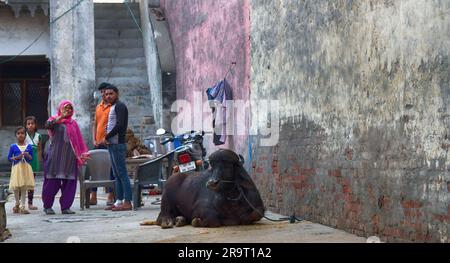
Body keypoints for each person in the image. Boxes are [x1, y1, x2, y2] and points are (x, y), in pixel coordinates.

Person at [42, 100, 89, 215]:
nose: (68, 110)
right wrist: (60, 117)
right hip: (55, 157)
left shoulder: (73, 123)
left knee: (70, 183)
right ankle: (47, 206)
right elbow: (47, 125)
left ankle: (66, 207)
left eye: (70, 108)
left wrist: (83, 153)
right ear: (60, 108)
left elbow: (79, 140)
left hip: (70, 158)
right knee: (52, 182)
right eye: (65, 108)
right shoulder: (54, 120)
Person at [102, 85, 132, 211]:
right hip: (112, 144)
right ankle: (119, 201)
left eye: (111, 94)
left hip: (118, 144)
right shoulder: (113, 107)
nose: (108, 96)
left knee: (122, 174)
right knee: (116, 174)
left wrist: (107, 136)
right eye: (106, 94)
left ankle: (128, 202)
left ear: (117, 94)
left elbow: (120, 125)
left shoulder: (120, 106)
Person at [90, 82, 115, 206]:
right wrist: (94, 139)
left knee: (110, 169)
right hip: (98, 142)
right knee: (94, 167)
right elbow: (95, 124)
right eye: (102, 92)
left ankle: (110, 194)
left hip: (109, 142)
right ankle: (93, 195)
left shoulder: (113, 107)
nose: (104, 94)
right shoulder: (99, 107)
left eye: (105, 91)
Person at [8, 126, 35, 214]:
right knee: (16, 187)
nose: (20, 135)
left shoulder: (29, 147)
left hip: (26, 168)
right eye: (18, 133)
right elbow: (9, 158)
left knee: (24, 187)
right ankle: (17, 204)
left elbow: (31, 159)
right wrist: (17, 157)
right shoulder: (13, 146)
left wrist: (27, 155)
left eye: (22, 133)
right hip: (17, 168)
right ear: (16, 135)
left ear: (25, 135)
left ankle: (23, 206)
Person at [24, 116, 42, 210]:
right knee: (22, 182)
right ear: (26, 125)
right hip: (25, 161)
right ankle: (19, 203)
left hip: (34, 162)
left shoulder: (38, 136)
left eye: (32, 123)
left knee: (31, 183)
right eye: (28, 124)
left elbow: (39, 150)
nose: (30, 125)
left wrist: (38, 161)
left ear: (35, 125)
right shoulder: (23, 135)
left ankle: (30, 203)